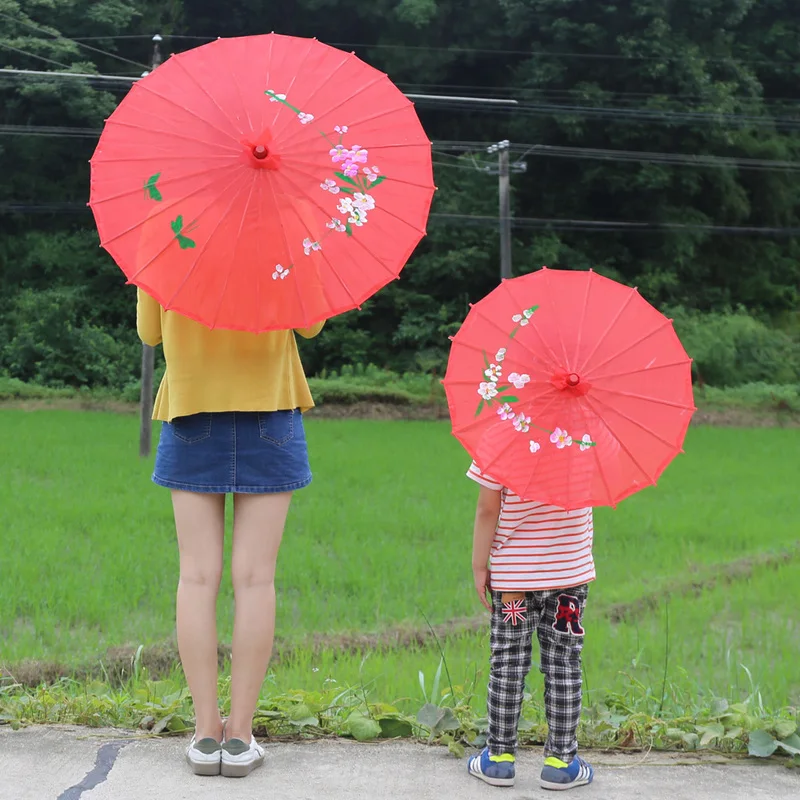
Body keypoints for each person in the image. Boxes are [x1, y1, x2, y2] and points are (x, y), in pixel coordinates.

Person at [137, 288, 324, 778]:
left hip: (191, 411)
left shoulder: (162, 232)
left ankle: (204, 734)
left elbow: (149, 332)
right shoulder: (285, 231)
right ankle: (238, 737)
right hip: (271, 411)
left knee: (197, 578)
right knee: (256, 578)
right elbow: (311, 325)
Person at [465, 461, 595, 791]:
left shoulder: (502, 437)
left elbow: (486, 508)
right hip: (570, 577)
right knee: (564, 665)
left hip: (514, 581)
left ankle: (499, 758)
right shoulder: (588, 438)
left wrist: (480, 564)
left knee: (508, 664)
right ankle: (561, 762)